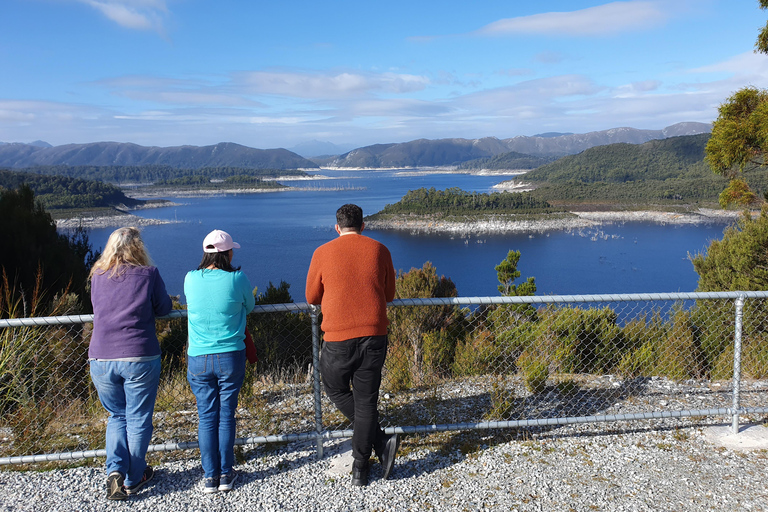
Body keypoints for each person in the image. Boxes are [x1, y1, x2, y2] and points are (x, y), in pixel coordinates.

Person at [305, 203, 399, 486]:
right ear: (363, 225)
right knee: (366, 400)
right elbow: (391, 294)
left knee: (334, 388)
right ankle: (363, 465)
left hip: (337, 338)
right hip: (374, 335)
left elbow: (311, 296)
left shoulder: (322, 252)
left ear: (337, 227)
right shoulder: (379, 250)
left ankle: (380, 444)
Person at [88, 227, 173, 501]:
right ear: (138, 247)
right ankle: (134, 478)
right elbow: (164, 307)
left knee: (117, 415)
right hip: (139, 355)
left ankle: (115, 470)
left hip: (100, 356)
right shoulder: (148, 274)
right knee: (137, 419)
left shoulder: (97, 276)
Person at [184, 229, 255, 494]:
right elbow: (249, 305)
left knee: (206, 417)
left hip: (199, 357)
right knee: (226, 416)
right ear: (227, 253)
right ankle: (226, 474)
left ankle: (209, 476)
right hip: (230, 355)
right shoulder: (237, 278)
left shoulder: (190, 278)